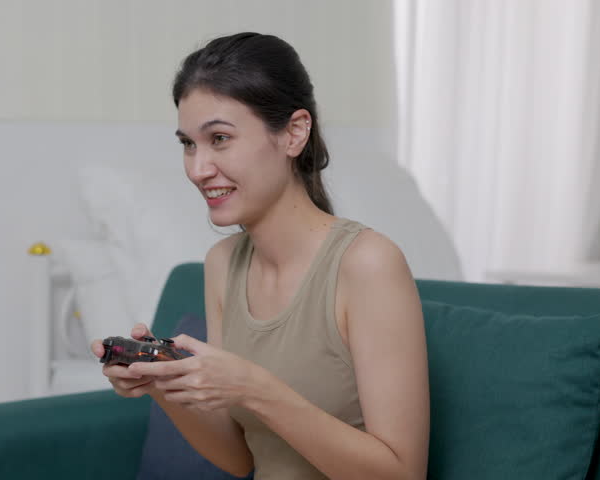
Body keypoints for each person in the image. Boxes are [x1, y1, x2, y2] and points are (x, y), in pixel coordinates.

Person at [90, 32, 430, 480]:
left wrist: (255, 389)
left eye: (220, 139)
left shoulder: (367, 263)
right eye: (188, 144)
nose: (197, 169)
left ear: (294, 133)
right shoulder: (222, 264)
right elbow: (240, 457)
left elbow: (403, 474)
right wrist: (162, 386)